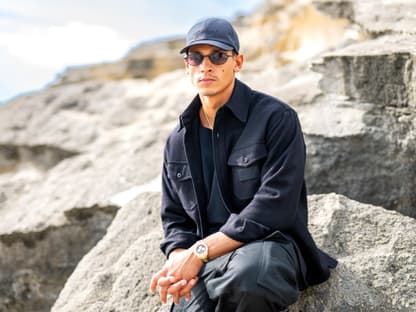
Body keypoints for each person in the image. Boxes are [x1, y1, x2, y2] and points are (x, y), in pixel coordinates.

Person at [149, 17, 337, 311]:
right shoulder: (177, 140)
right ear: (187, 66)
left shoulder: (276, 118)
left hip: (269, 244)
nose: (206, 66)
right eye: (196, 57)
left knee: (251, 279)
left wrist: (198, 253)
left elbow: (276, 205)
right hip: (209, 262)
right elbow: (175, 219)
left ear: (237, 62)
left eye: (218, 56)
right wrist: (179, 259)